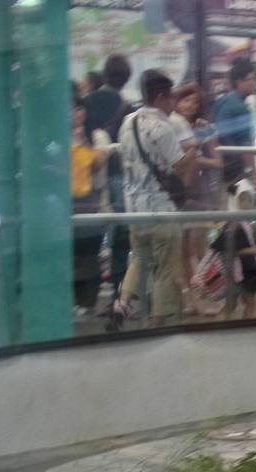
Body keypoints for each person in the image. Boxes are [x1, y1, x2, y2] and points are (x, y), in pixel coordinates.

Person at [109, 69, 196, 329]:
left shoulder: (128, 122)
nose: (174, 103)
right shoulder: (162, 128)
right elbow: (180, 166)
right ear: (160, 97)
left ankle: (121, 306)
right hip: (161, 207)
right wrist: (194, 148)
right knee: (165, 265)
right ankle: (156, 321)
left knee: (139, 259)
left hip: (134, 207)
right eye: (171, 97)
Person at [83, 54, 133, 298]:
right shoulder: (125, 105)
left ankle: (89, 293)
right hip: (117, 172)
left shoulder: (88, 100)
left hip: (90, 174)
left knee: (90, 235)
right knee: (121, 234)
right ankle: (117, 288)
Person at [170, 82, 222, 314]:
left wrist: (195, 157)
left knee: (201, 248)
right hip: (177, 192)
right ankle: (192, 299)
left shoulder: (205, 128)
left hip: (200, 193)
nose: (190, 105)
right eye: (185, 100)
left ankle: (212, 293)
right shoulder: (170, 126)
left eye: (195, 101)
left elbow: (217, 161)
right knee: (182, 249)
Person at [71, 86, 111, 319]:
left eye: (78, 109)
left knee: (89, 254)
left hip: (92, 203)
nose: (74, 114)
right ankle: (72, 302)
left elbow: (97, 164)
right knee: (69, 253)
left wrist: (81, 141)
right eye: (70, 109)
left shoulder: (98, 136)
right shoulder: (57, 136)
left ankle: (88, 303)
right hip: (66, 204)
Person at [216, 175, 256, 320]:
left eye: (249, 199)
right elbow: (237, 249)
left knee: (232, 305)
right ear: (234, 201)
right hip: (241, 272)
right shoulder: (236, 224)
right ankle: (246, 330)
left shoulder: (237, 222)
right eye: (243, 199)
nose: (248, 203)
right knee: (249, 303)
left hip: (238, 271)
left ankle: (215, 332)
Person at [214, 58, 256, 192]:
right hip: (233, 173)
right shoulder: (240, 108)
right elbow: (246, 148)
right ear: (239, 82)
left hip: (219, 171)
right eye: (252, 79)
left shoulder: (223, 101)